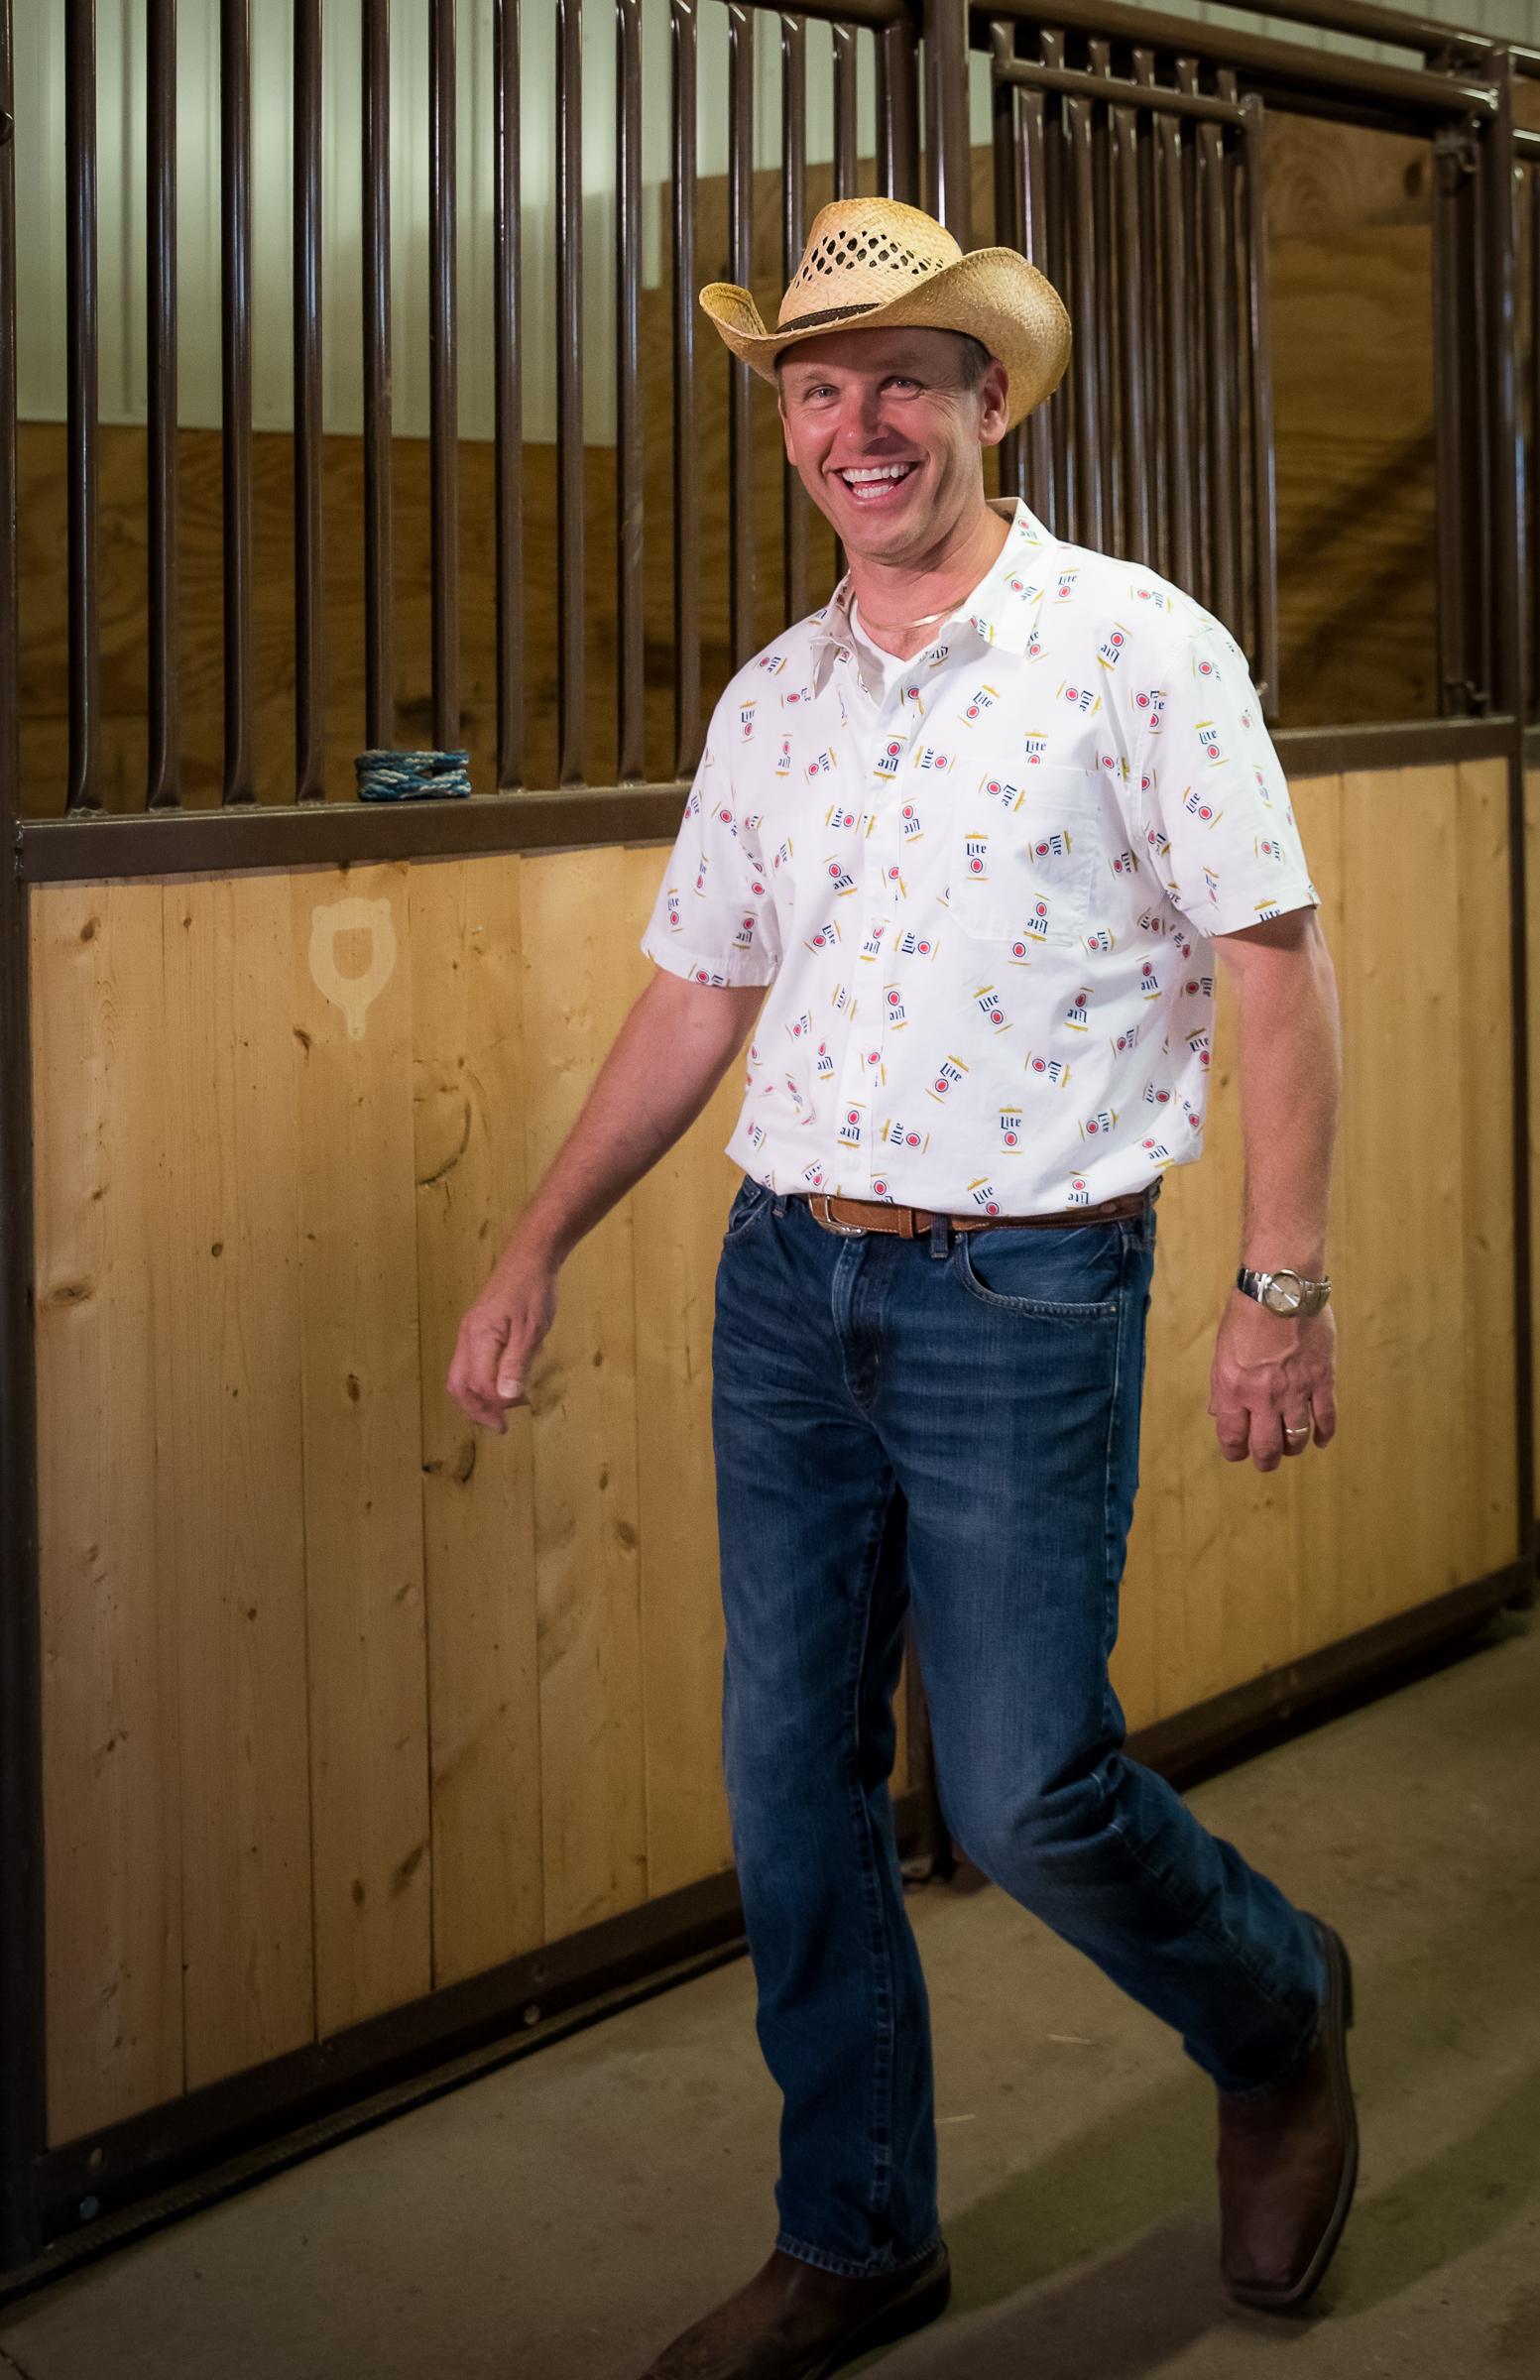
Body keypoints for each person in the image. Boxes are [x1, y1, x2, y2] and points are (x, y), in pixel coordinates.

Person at [448, 198, 1354, 2380]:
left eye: (904, 382)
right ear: (788, 423)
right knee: (790, 1784)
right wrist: (537, 1236)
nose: (856, 425)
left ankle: (1275, 2014)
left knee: (1029, 1787)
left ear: (991, 398)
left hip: (1024, 1291)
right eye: (816, 388)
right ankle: (855, 2233)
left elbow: (1274, 969)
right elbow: (699, 989)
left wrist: (1279, 1285)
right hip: (786, 1283)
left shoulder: (1135, 646)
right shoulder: (775, 698)